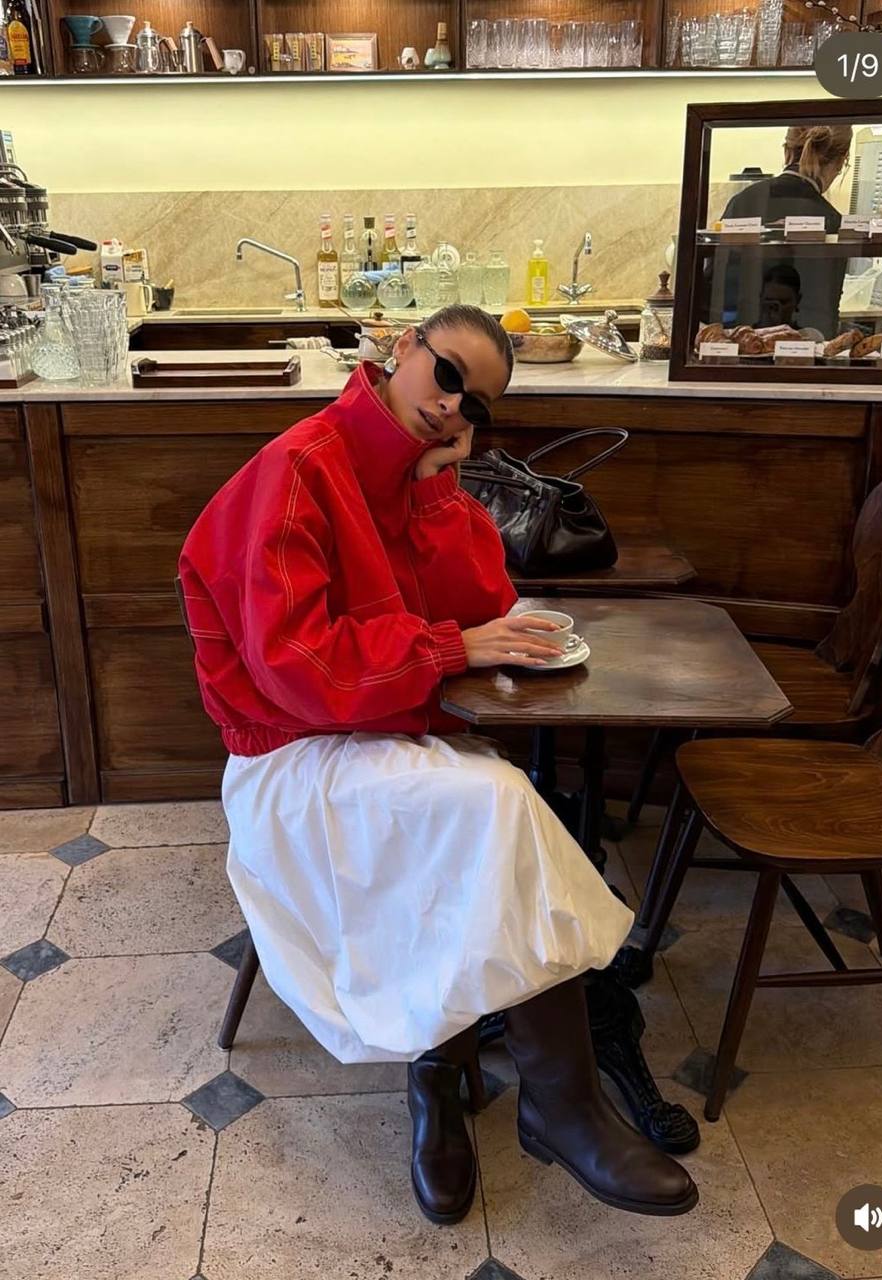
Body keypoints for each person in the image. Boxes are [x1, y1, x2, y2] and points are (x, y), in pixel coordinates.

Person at [178, 304, 698, 1225]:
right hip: (296, 756)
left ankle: (449, 1082)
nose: (455, 406)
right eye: (448, 375)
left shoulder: (416, 472)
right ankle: (555, 1105)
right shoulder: (299, 469)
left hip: (391, 731)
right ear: (403, 347)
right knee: (494, 804)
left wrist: (436, 497)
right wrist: (446, 649)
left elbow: (487, 607)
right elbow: (300, 671)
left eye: (479, 406)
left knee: (478, 810)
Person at [712, 123, 853, 338]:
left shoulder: (743, 201)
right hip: (803, 347)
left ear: (786, 151)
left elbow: (715, 284)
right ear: (841, 161)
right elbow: (824, 308)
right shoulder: (831, 219)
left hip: (737, 342)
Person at [756, 264, 824, 342]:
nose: (775, 308)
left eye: (783, 302)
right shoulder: (746, 337)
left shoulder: (806, 338)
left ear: (797, 300)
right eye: (769, 300)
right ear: (761, 298)